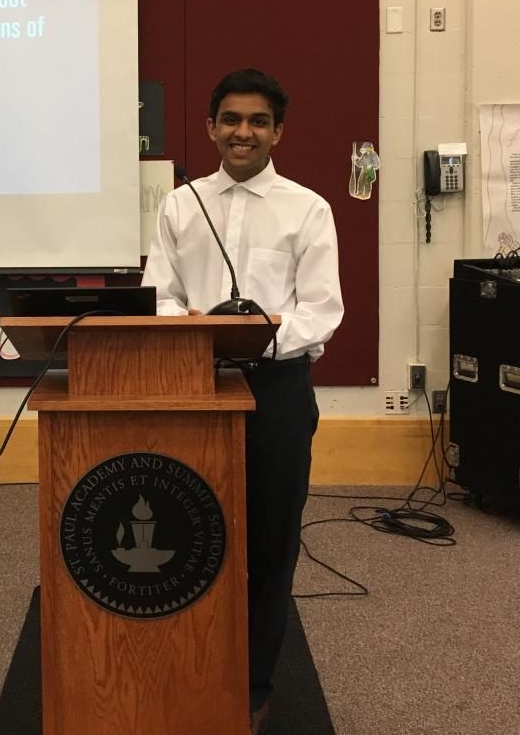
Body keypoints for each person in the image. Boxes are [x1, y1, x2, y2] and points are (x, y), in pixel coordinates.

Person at [142, 68, 344, 735]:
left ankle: (252, 683)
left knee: (268, 542)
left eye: (257, 121)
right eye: (230, 119)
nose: (242, 132)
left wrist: (255, 339)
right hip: (190, 386)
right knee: (184, 533)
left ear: (277, 131)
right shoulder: (180, 205)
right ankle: (182, 666)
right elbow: (159, 295)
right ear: (210, 127)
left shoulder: (307, 208)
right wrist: (190, 326)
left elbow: (320, 312)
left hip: (275, 390)